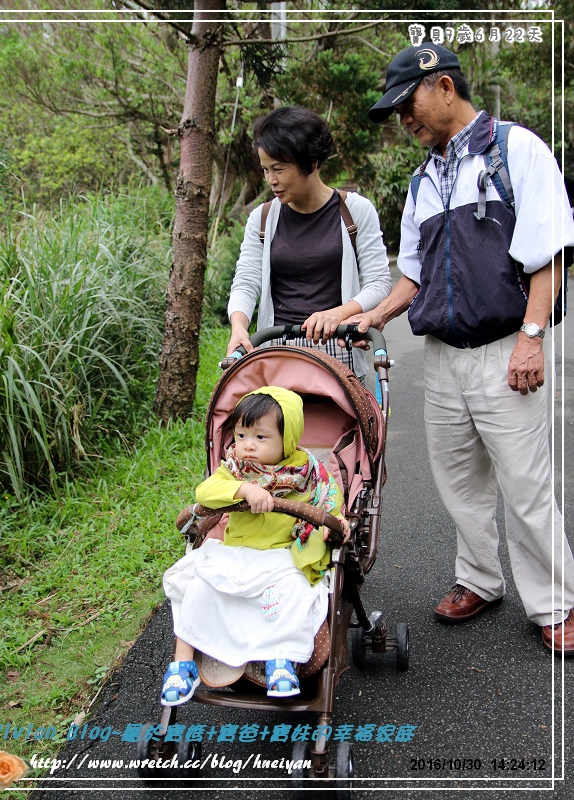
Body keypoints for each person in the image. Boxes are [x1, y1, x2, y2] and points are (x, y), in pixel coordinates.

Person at [343, 42, 574, 655]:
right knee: (458, 482)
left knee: (526, 484)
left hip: (506, 347)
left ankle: (554, 603)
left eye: (408, 103)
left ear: (444, 87)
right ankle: (479, 579)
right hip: (444, 355)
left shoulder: (515, 150)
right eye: (395, 112)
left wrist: (531, 337)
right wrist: (372, 316)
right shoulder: (422, 179)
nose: (404, 119)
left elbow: (549, 251)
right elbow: (413, 276)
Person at [161, 386, 350, 705]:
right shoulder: (233, 469)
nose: (247, 446)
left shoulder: (309, 473)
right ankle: (182, 664)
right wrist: (243, 490)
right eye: (241, 435)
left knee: (295, 590)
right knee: (197, 587)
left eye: (260, 438)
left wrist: (336, 521)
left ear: (287, 439)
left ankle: (281, 658)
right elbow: (205, 492)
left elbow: (330, 500)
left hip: (281, 555)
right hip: (234, 554)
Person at [226, 106, 391, 383]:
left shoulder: (355, 211)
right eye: (266, 169)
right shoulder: (263, 219)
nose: (271, 180)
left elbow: (379, 282)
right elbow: (246, 281)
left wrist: (337, 314)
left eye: (278, 169)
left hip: (340, 354)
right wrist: (239, 326)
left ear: (311, 162)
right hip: (277, 354)